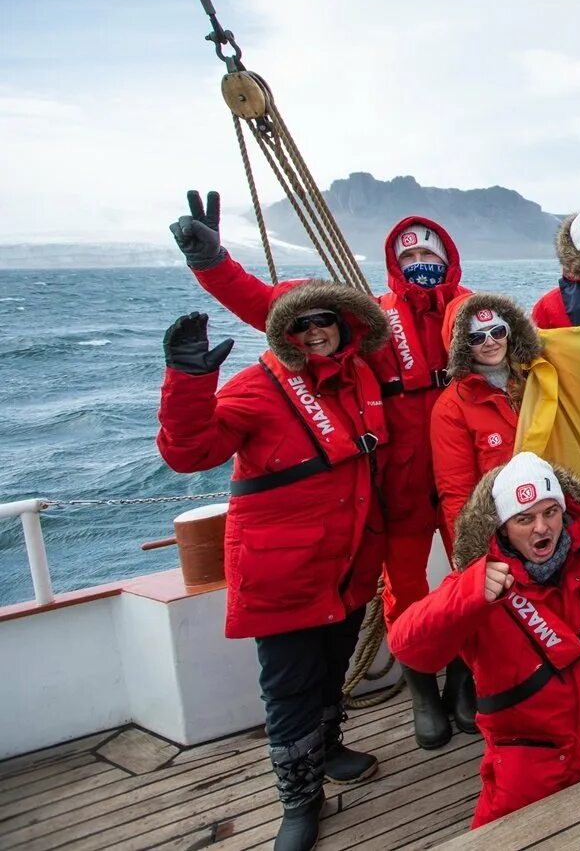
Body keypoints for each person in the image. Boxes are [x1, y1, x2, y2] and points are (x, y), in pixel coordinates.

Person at [171, 192, 471, 751]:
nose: (419, 265)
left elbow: (530, 347)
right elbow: (277, 310)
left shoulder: (474, 313)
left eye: (429, 255)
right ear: (394, 266)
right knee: (405, 593)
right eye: (408, 259)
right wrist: (213, 264)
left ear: (449, 258)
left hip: (466, 481)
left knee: (475, 578)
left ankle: (465, 680)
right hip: (396, 489)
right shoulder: (370, 322)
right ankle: (422, 692)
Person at [155, 282, 390, 851]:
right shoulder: (259, 387)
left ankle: (329, 749)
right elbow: (189, 453)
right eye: (301, 322)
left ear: (344, 324)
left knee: (333, 669)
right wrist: (188, 381)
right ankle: (299, 802)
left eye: (325, 319)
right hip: (282, 573)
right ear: (284, 333)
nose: (315, 330)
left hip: (348, 563)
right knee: (288, 690)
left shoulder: (359, 375)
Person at [389, 452, 580, 828]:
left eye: (550, 512)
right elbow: (405, 645)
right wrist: (469, 594)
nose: (541, 528)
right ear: (502, 528)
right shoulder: (477, 585)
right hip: (529, 774)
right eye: (524, 518)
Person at [428, 293, 542, 736]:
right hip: (499, 533)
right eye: (477, 337)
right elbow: (456, 493)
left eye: (498, 331)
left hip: (548, 520)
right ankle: (478, 689)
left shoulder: (536, 380)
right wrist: (474, 557)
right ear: (461, 345)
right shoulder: (451, 408)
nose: (491, 342)